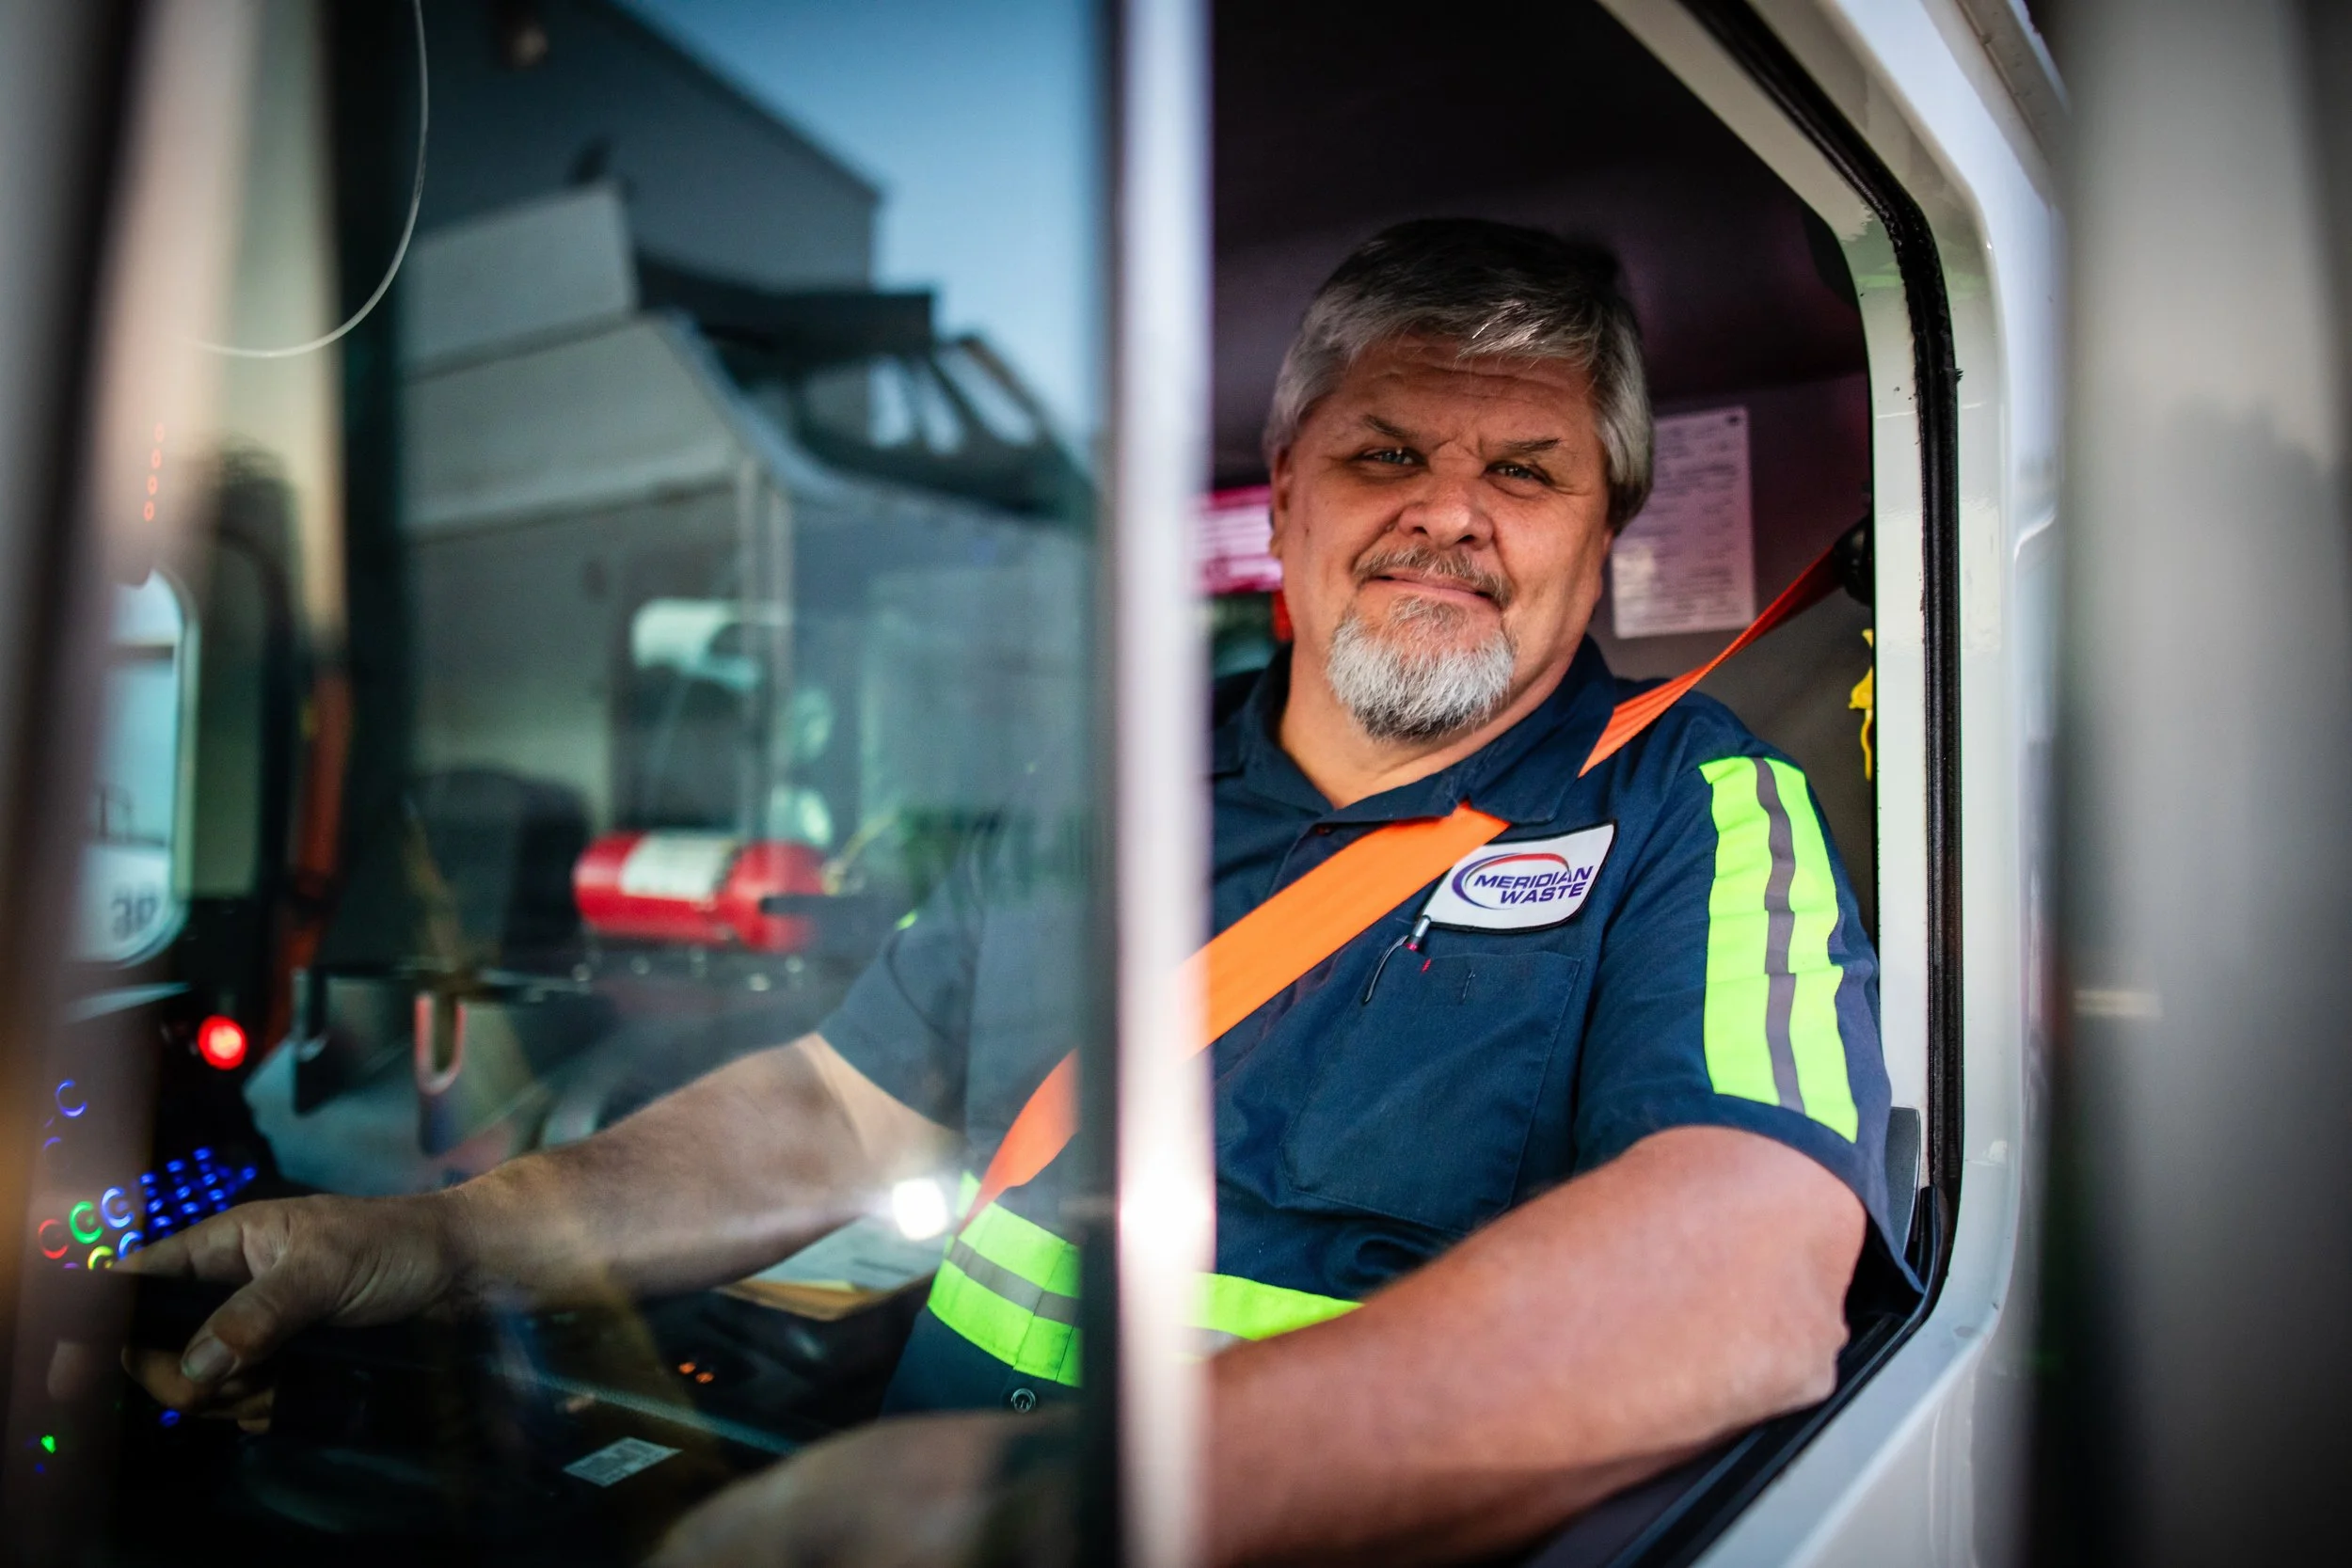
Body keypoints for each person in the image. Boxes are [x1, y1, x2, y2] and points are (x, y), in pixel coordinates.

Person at [124, 218, 1899, 1564]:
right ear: (1284, 499)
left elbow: (1742, 1273)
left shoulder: (1696, 813)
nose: (1449, 511)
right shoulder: (1098, 791)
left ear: (1609, 531)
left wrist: (1061, 1498)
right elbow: (834, 1114)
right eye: (1387, 452)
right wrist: (425, 1243)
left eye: (1525, 471)